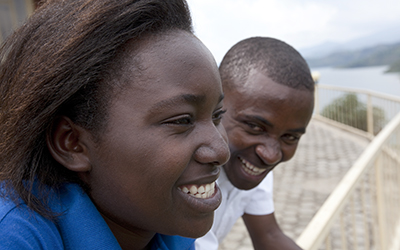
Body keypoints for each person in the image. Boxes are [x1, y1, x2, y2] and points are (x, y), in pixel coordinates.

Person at [0, 0, 230, 249]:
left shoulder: (169, 231)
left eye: (217, 116)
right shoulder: (17, 237)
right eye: (182, 121)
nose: (221, 151)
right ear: (72, 143)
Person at [196, 37, 315, 250]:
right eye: (255, 127)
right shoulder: (185, 177)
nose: (270, 155)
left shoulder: (249, 163)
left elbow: (268, 235)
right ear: (215, 105)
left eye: (289, 137)